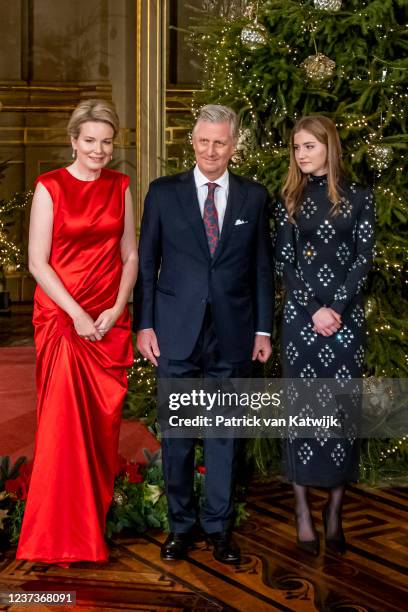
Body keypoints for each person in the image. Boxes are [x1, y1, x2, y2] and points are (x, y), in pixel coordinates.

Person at [134, 104, 274, 564]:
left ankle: (218, 528)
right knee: (177, 436)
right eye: (203, 141)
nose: (210, 150)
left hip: (233, 336)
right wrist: (145, 325)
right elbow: (147, 266)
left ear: (233, 146)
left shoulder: (254, 197)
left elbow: (260, 268)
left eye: (220, 142)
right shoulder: (162, 193)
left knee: (223, 436)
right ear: (191, 142)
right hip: (174, 333)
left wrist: (262, 329)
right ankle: (180, 526)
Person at [16, 99, 138, 564]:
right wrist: (77, 315)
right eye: (90, 141)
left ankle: (92, 521)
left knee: (101, 427)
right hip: (64, 319)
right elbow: (37, 262)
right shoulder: (50, 186)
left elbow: (131, 255)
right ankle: (58, 536)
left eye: (107, 142)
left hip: (109, 318)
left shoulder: (120, 186)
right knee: (64, 427)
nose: (99, 150)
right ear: (73, 141)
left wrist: (117, 304)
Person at [274, 115, 375, 555]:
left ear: (328, 147)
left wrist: (337, 309)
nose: (301, 155)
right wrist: (315, 310)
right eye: (297, 148)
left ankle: (334, 509)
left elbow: (362, 260)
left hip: (345, 323)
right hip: (301, 321)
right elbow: (284, 264)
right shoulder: (289, 200)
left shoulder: (359, 198)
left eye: (309, 146)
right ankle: (301, 510)